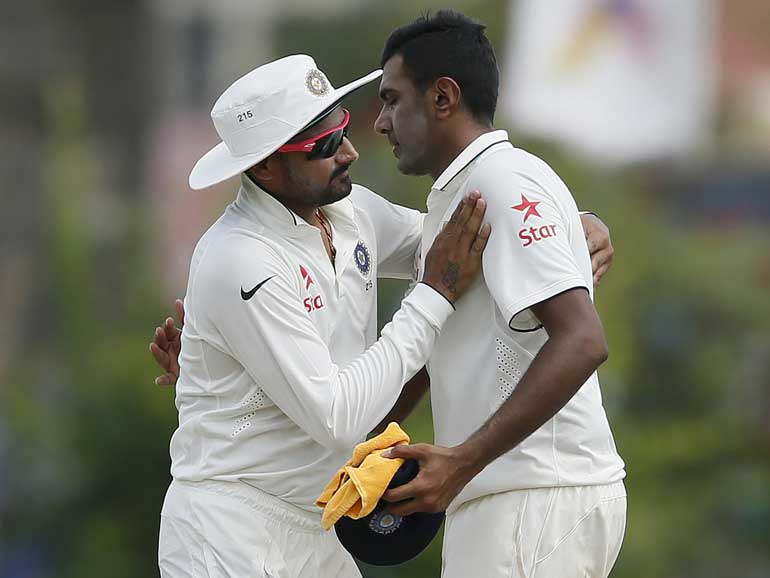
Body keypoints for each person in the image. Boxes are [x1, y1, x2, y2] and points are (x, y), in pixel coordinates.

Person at [156, 53, 491, 578]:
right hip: (228, 528)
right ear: (264, 166)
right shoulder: (240, 258)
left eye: (342, 129)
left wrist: (569, 224)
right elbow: (338, 420)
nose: (351, 152)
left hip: (316, 522)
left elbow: (460, 239)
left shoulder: (349, 212)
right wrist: (431, 296)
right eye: (325, 145)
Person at [369, 11, 627, 578]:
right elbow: (452, 349)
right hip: (512, 499)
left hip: (535, 495)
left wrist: (462, 461)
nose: (380, 124)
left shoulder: (502, 184)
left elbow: (583, 341)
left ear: (443, 97)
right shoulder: (463, 194)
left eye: (392, 100)